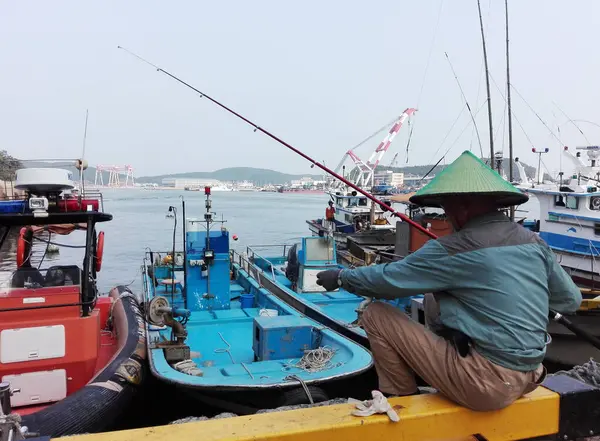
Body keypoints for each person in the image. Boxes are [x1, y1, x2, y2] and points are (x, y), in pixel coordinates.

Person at [316, 150, 582, 412]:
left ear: (462, 206)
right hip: (531, 376)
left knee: (374, 313)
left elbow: (387, 280)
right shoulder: (534, 242)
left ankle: (400, 398)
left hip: (486, 385)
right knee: (434, 297)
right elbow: (570, 300)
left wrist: (341, 276)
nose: (445, 215)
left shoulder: (453, 248)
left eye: (446, 207)